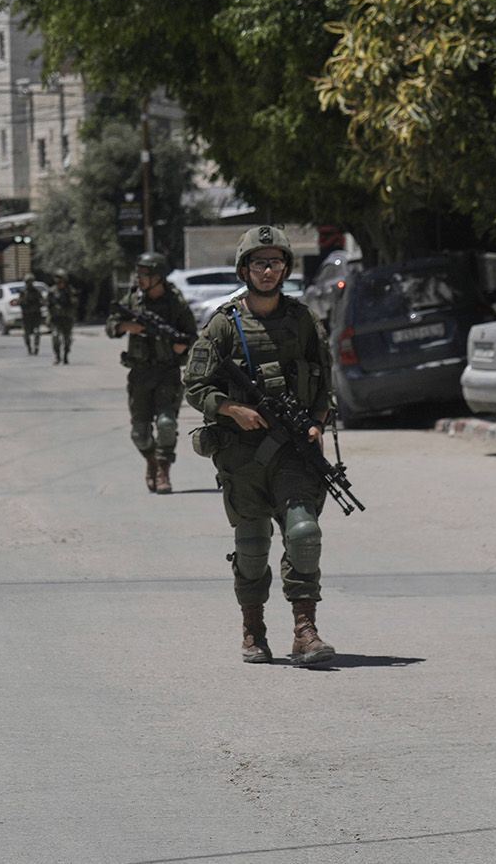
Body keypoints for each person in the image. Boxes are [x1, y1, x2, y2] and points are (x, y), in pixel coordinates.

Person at [182, 227, 337, 666]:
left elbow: (324, 385)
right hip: (243, 454)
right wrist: (232, 409)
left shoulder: (303, 320)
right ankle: (253, 628)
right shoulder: (224, 324)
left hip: (293, 450)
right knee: (252, 547)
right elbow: (194, 384)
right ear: (244, 269)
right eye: (258, 263)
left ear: (286, 267)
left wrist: (317, 425)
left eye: (275, 263)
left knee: (305, 535)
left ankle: (305, 631)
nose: (267, 271)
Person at [106, 252, 197, 493]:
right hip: (140, 374)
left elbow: (193, 336)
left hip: (167, 373)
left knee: (167, 423)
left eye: (144, 275)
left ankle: (163, 471)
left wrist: (183, 345)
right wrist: (125, 326)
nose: (139, 279)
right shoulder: (133, 299)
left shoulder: (175, 303)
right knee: (139, 434)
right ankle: (151, 461)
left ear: (158, 277)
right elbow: (111, 324)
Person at [47, 274, 77, 365]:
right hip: (56, 319)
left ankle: (65, 356)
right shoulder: (52, 291)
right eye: (58, 282)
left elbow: (75, 303)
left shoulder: (70, 291)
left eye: (61, 281)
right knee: (55, 337)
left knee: (67, 339)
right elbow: (48, 305)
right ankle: (57, 356)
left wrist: (71, 299)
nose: (60, 284)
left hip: (67, 318)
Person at [18, 275, 46, 356]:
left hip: (35, 314)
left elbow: (42, 301)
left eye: (31, 282)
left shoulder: (37, 292)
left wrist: (41, 303)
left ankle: (36, 346)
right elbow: (19, 303)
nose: (30, 284)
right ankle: (29, 347)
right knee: (26, 334)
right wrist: (22, 301)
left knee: (37, 332)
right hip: (26, 315)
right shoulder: (23, 292)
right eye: (28, 282)